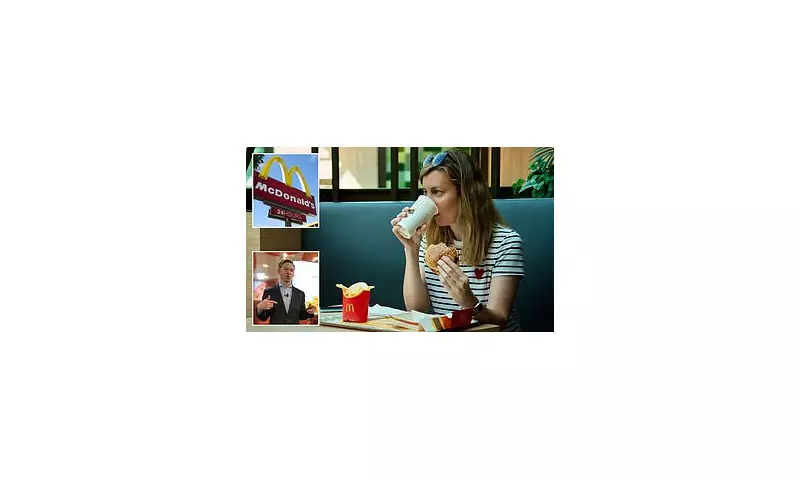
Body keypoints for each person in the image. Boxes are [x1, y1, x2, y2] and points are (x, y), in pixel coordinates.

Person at [390, 149, 525, 331]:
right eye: (426, 192)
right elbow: (416, 307)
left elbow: (500, 318)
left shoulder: (505, 242)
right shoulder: (429, 240)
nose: (428, 201)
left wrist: (469, 302)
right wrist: (411, 249)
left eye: (437, 192)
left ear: (467, 193)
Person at [255, 259, 317, 324]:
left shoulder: (300, 294)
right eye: (285, 269)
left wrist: (309, 312)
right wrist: (259, 308)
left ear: (293, 274)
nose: (288, 272)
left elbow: (301, 316)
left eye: (291, 270)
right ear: (279, 271)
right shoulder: (269, 292)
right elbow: (264, 318)